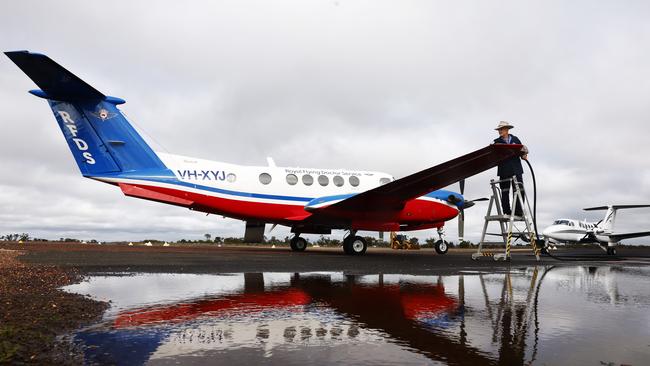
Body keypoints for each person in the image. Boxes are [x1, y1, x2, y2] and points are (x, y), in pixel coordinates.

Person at [492, 121, 528, 217]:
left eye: (501, 129)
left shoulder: (516, 139)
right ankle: (507, 211)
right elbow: (493, 155)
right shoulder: (496, 142)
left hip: (516, 169)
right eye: (499, 130)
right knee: (505, 190)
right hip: (504, 169)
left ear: (507, 129)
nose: (500, 131)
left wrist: (524, 154)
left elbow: (523, 149)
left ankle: (518, 211)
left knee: (519, 190)